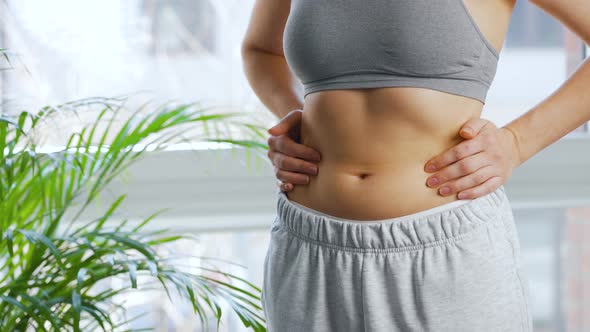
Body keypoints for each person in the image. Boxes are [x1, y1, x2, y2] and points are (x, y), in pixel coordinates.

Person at [241, 0, 590, 330]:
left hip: (447, 259)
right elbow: (260, 50)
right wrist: (294, 116)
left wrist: (516, 143)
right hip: (309, 252)